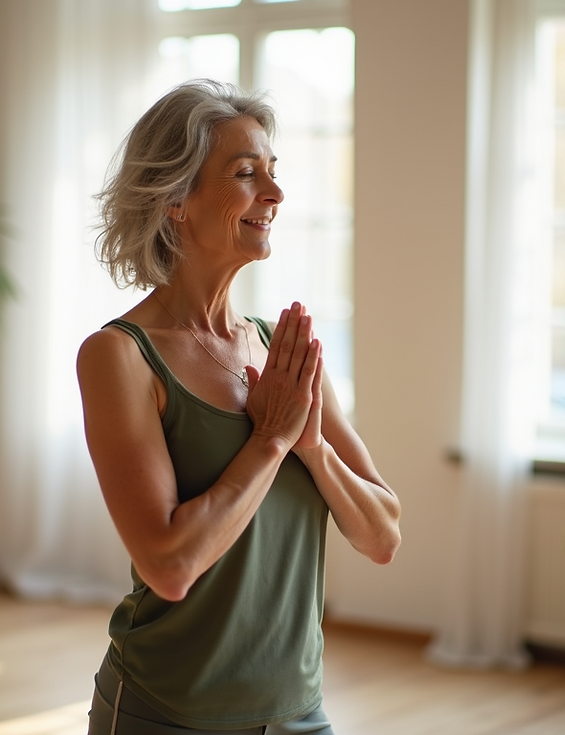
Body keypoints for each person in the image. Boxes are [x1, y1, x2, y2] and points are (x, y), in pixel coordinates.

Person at [77, 79, 401, 735]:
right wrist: (270, 443)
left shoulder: (282, 352)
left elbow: (383, 534)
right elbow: (169, 567)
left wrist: (311, 448)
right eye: (248, 173)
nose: (275, 194)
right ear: (176, 199)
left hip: (297, 710)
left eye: (273, 173)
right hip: (167, 712)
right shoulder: (120, 356)